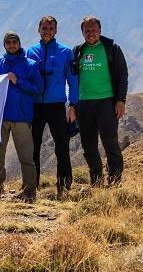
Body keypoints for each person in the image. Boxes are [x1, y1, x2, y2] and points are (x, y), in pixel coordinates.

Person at [70, 15, 128, 186]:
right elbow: (72, 78)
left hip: (106, 103)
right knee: (89, 148)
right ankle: (96, 182)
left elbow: (123, 75)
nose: (90, 33)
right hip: (84, 104)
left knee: (110, 144)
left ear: (100, 30)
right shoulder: (78, 51)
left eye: (93, 30)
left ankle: (115, 182)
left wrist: (121, 100)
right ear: (82, 33)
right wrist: (72, 105)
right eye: (87, 31)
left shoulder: (112, 49)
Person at [26, 15, 79, 197]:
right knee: (33, 146)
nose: (47, 31)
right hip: (35, 106)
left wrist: (73, 105)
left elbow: (73, 80)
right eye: (44, 28)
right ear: (38, 30)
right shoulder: (31, 51)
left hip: (56, 105)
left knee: (62, 146)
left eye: (50, 28)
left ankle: (64, 187)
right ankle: (31, 186)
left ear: (56, 30)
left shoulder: (66, 52)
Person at [0, 31, 43, 202]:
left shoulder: (31, 64)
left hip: (22, 118)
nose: (12, 45)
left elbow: (38, 89)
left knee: (26, 157)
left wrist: (18, 81)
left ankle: (30, 192)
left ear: (19, 43)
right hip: (1, 118)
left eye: (15, 42)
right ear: (5, 45)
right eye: (9, 42)